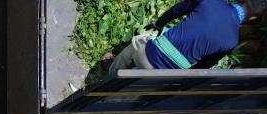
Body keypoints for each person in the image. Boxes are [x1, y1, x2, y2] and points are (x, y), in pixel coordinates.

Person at [109, 0, 265, 74]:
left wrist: (158, 24)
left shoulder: (210, 2)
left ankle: (111, 73)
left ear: (240, 0)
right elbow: (204, 65)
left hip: (145, 54)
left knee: (135, 47)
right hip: (160, 75)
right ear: (252, 19)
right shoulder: (232, 41)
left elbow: (176, 10)